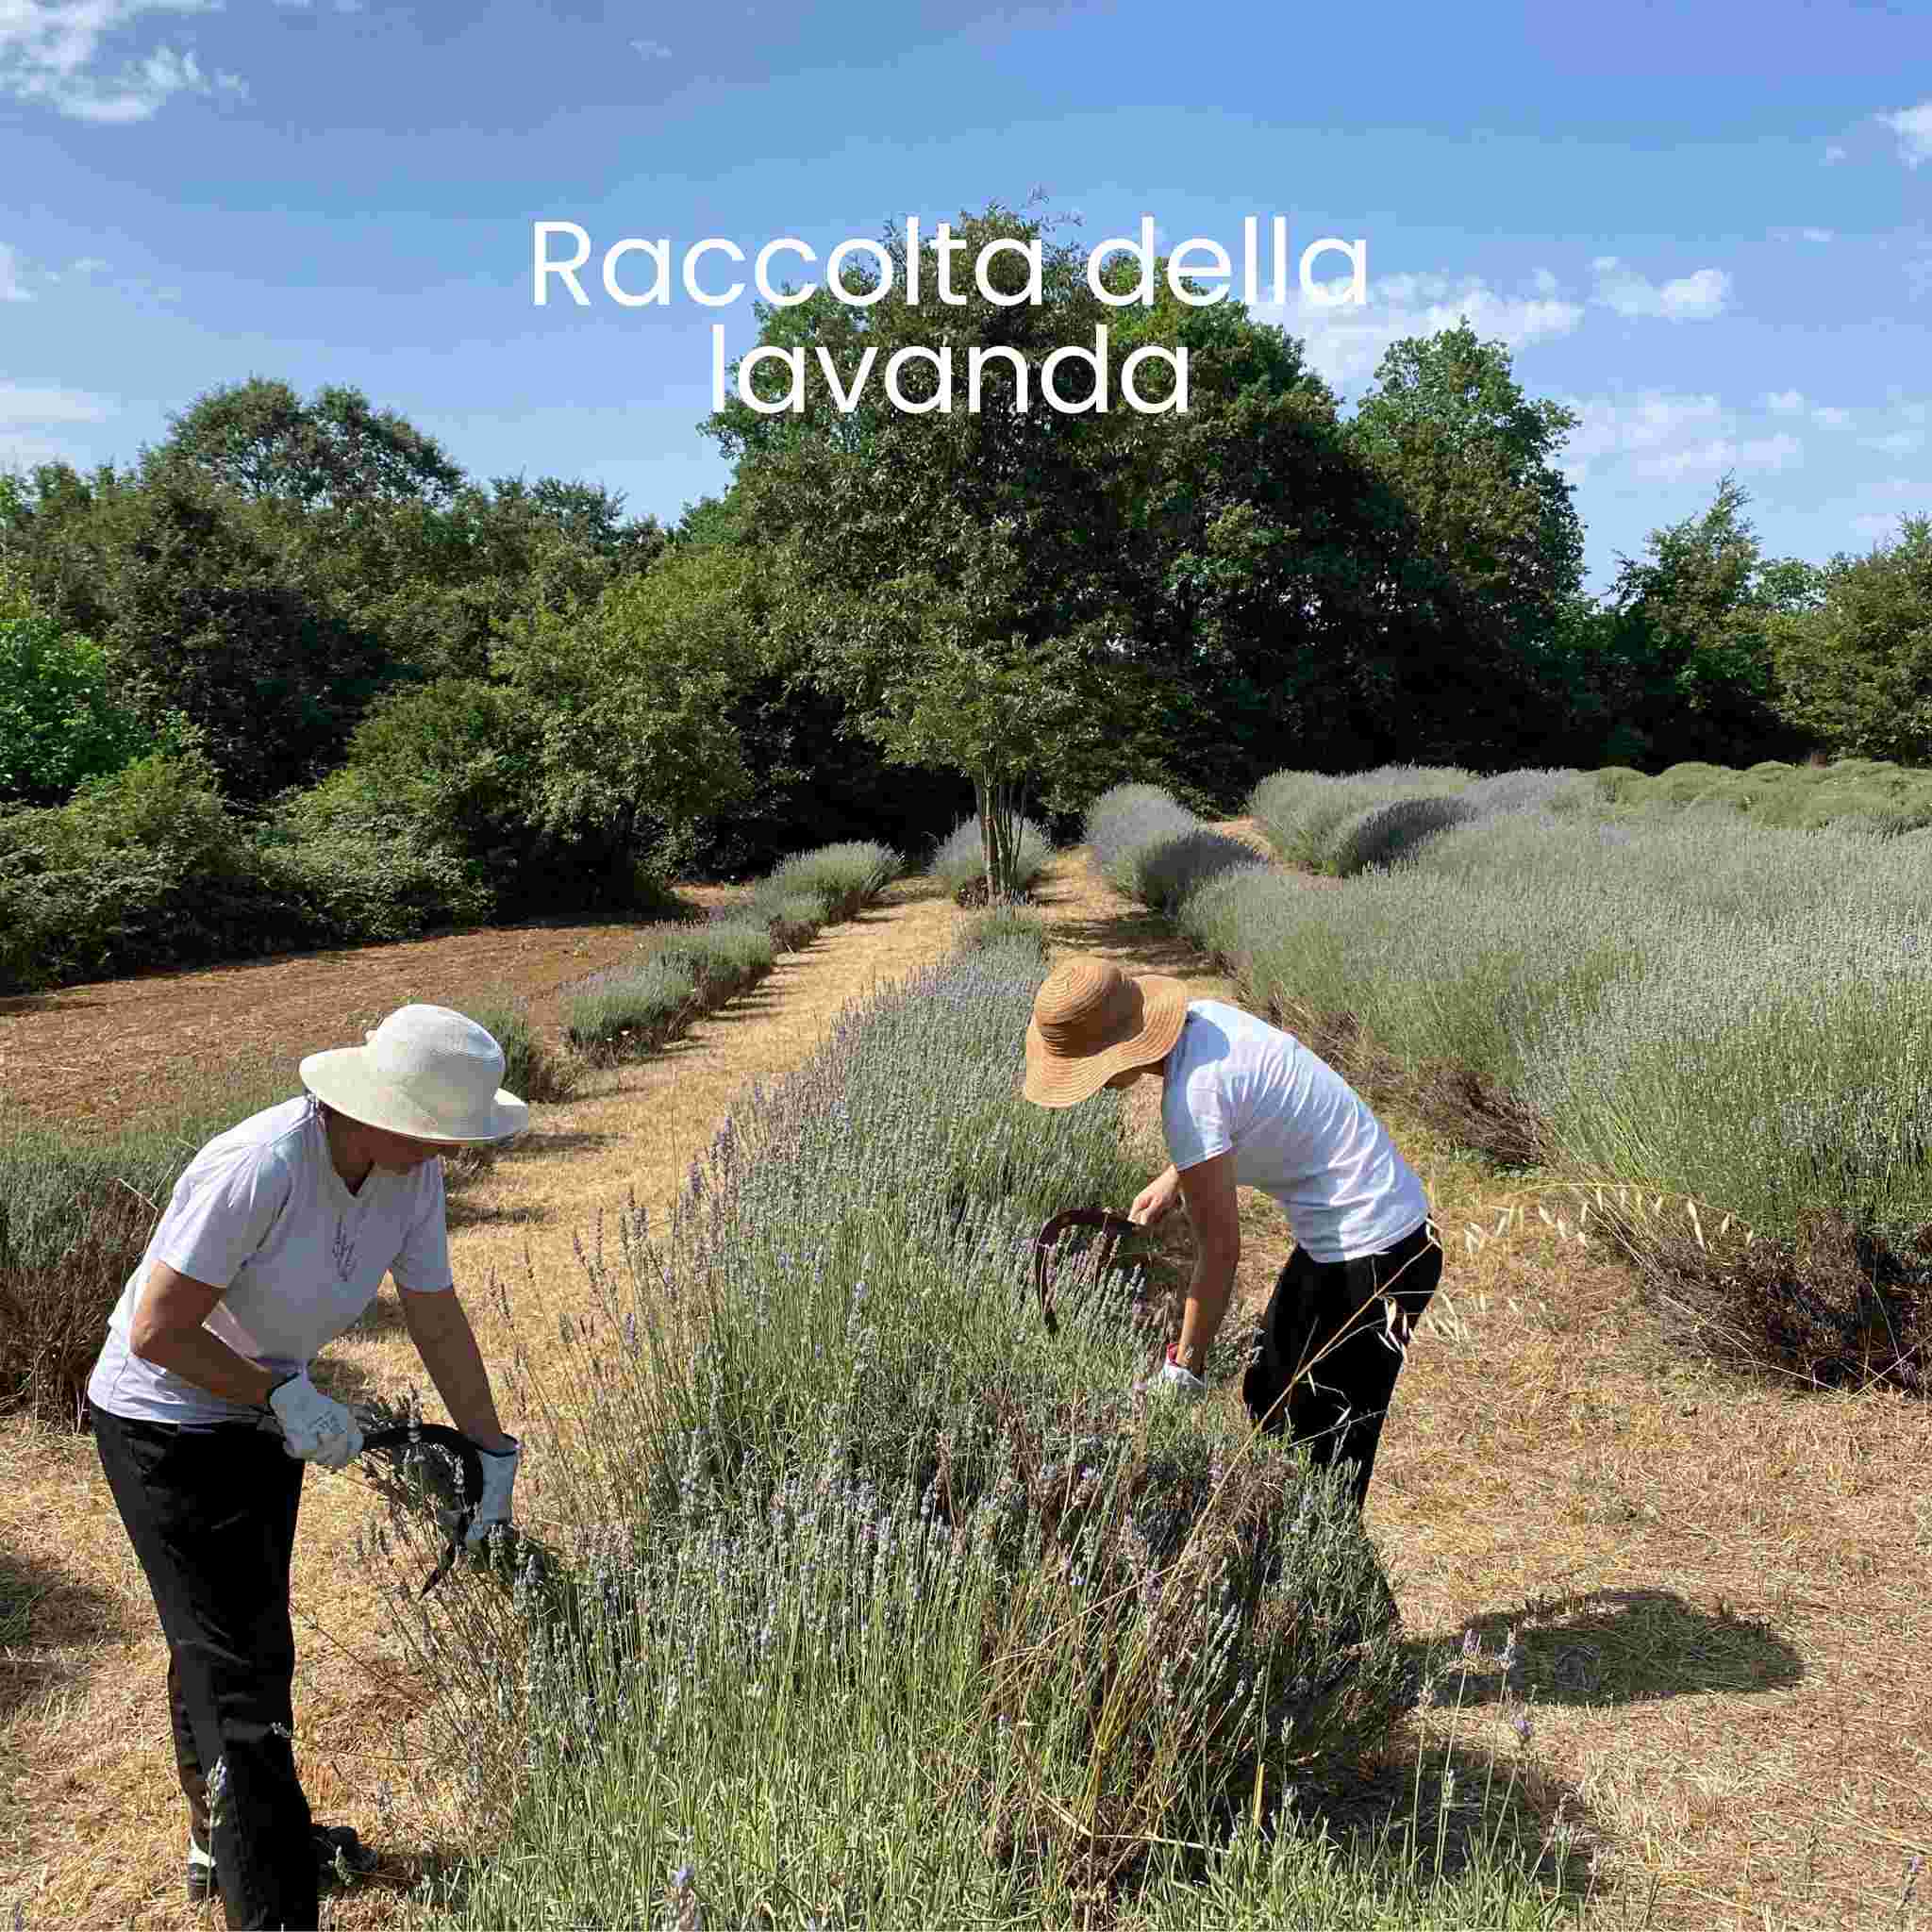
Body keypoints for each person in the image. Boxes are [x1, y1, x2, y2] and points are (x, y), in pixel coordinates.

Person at [85, 1005, 529, 1931]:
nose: (451, 1147)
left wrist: (489, 1446)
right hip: (162, 1418)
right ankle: (272, 1902)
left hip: (259, 1407)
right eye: (441, 1129)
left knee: (229, 1636)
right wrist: (280, 1395)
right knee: (241, 1670)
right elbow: (159, 1328)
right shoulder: (264, 1165)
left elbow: (435, 1314)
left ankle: (226, 1839)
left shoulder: (411, 1176)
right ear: (388, 1107)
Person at [1021, 958, 1441, 1508]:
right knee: (1269, 1392)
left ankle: (1333, 1581)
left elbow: (1219, 1251)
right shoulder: (1206, 1022)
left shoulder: (1189, 1100)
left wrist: (1184, 1369)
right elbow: (1235, 1109)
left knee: (1326, 1454)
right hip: (1354, 1234)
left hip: (1381, 1252)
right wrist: (1177, 1177)